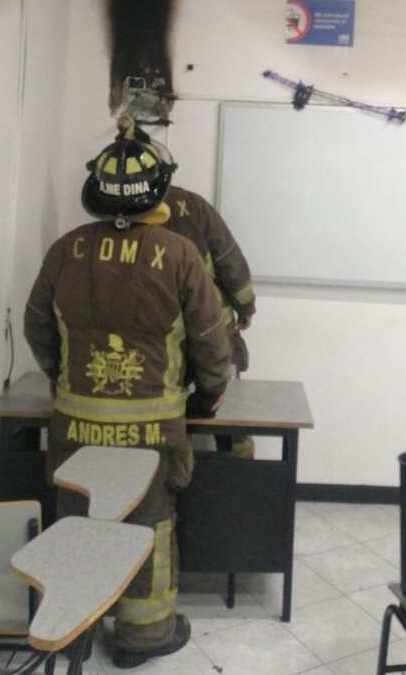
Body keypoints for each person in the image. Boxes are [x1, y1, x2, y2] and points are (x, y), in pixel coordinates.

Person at [24, 121, 231, 668]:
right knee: (149, 530)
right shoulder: (181, 255)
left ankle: (72, 628)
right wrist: (208, 398)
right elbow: (213, 343)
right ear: (159, 192)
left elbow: (36, 324)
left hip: (76, 432)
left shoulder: (66, 251)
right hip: (152, 438)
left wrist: (60, 374)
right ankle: (144, 637)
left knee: (77, 524)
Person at [148, 126, 255, 458]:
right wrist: (245, 307)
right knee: (228, 414)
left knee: (161, 411)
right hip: (209, 333)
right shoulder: (194, 207)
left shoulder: (117, 219)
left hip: (157, 341)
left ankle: (172, 474)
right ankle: (235, 479)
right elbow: (230, 262)